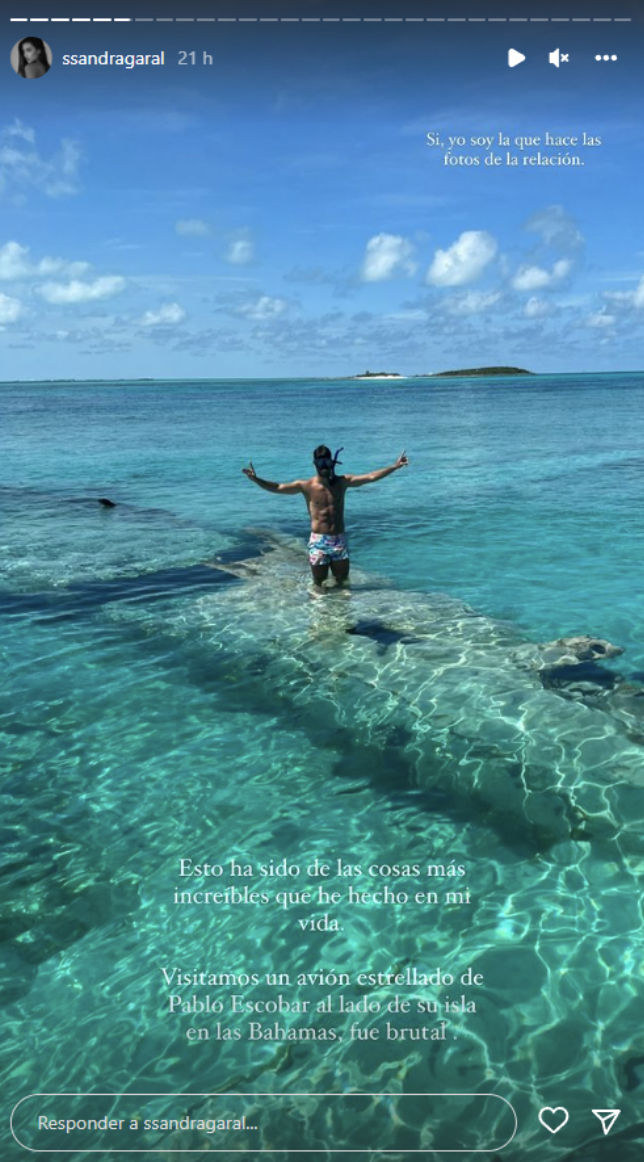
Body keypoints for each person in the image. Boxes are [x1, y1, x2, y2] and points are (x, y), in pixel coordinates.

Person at [242, 445, 408, 594]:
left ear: (333, 462)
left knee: (343, 583)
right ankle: (319, 620)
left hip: (339, 540)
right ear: (315, 464)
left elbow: (371, 477)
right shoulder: (306, 486)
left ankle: (341, 617)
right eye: (320, 464)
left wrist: (395, 466)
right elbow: (278, 487)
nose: (324, 467)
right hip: (318, 541)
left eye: (327, 463)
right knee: (319, 584)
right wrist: (256, 479)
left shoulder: (342, 482)